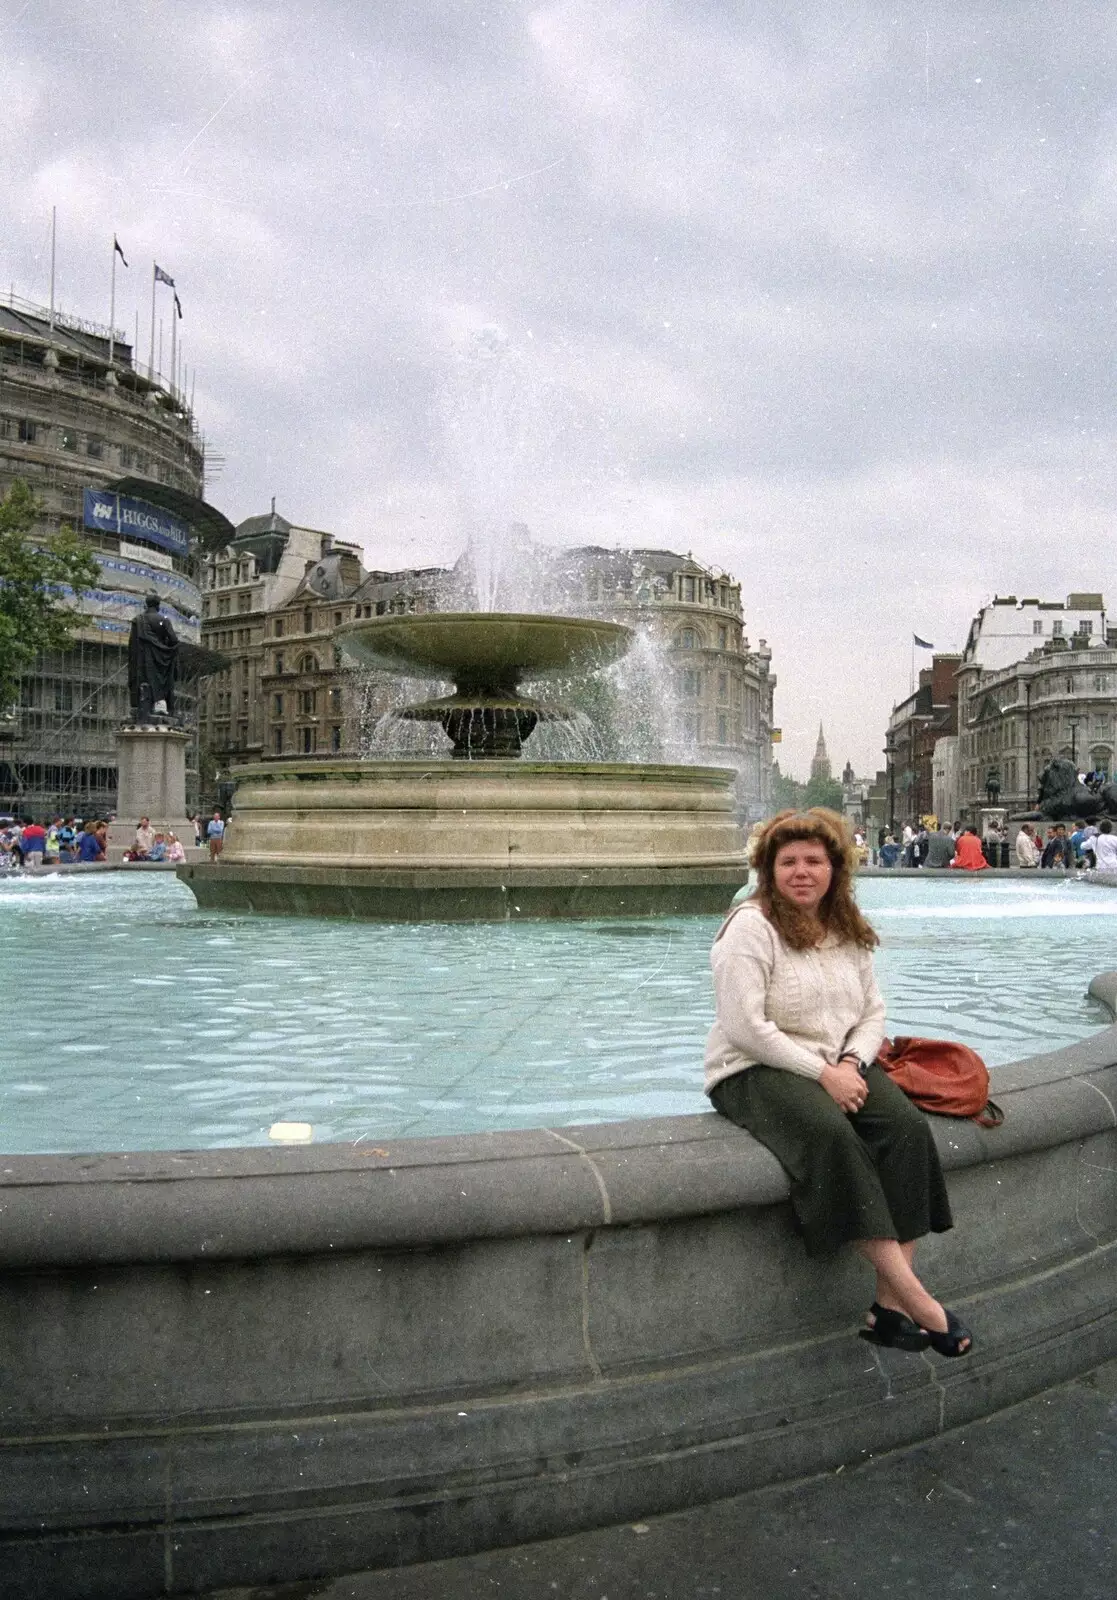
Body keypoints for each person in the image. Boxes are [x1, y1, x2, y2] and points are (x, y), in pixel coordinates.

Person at [705, 808, 971, 1357]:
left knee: (905, 1130)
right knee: (832, 1138)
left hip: (838, 1064)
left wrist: (849, 1064)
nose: (802, 872)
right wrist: (822, 1074)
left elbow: (873, 1012)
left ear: (835, 869)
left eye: (814, 861)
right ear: (768, 870)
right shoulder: (750, 926)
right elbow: (744, 1028)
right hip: (755, 1070)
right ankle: (919, 1301)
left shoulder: (846, 926)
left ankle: (887, 1310)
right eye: (788, 862)